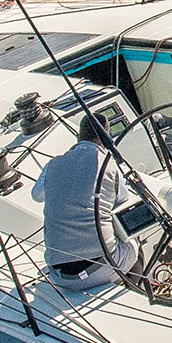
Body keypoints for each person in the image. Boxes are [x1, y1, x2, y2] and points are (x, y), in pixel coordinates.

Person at [32, 114, 141, 288]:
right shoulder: (109, 165)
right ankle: (134, 289)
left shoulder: (52, 165)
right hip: (100, 268)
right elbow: (123, 203)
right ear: (105, 138)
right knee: (133, 234)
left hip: (60, 275)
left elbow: (36, 195)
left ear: (78, 135)